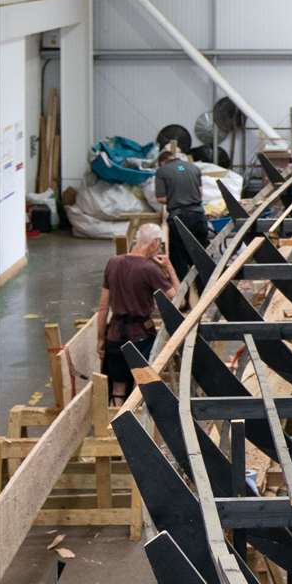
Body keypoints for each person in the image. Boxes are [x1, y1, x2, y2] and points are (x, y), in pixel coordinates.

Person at [96, 222, 177, 399]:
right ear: (154, 243)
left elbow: (103, 308)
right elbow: (178, 298)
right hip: (140, 337)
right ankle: (135, 422)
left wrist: (101, 339)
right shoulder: (150, 269)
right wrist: (168, 267)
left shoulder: (113, 263)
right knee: (139, 386)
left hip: (114, 336)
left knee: (118, 388)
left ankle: (116, 420)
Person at [154, 144, 209, 280]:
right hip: (198, 216)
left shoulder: (162, 171)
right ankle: (205, 292)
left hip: (179, 219)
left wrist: (175, 197)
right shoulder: (194, 168)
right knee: (200, 256)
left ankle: (184, 296)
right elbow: (200, 193)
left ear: (162, 162)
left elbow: (160, 198)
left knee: (179, 258)